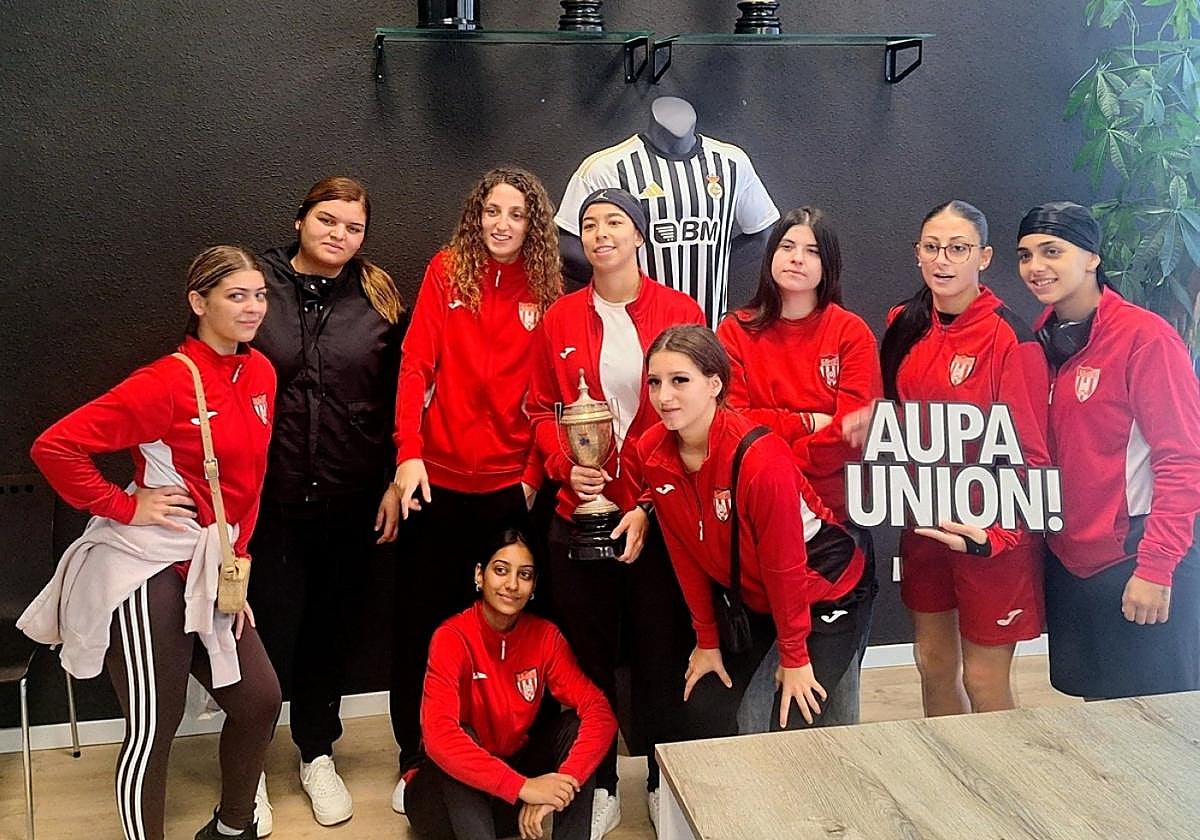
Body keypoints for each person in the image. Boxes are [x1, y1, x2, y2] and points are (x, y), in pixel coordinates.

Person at [20, 246, 280, 840]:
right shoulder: (166, 383)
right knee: (154, 728)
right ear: (199, 302)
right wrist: (123, 504)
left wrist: (238, 560)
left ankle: (232, 828)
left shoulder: (260, 372)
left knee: (260, 700)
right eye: (236, 295)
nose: (252, 308)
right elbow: (54, 447)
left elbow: (251, 483)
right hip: (151, 571)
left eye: (259, 294)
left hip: (213, 565)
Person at [528, 188, 704, 836]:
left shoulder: (679, 311)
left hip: (659, 514)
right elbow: (541, 410)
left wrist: (653, 495)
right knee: (585, 656)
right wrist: (562, 466)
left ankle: (663, 778)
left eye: (616, 224)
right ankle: (598, 784)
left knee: (663, 651)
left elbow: (698, 412)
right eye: (591, 224)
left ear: (639, 236)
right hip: (582, 511)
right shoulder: (561, 317)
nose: (602, 234)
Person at [390, 167, 564, 813]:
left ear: (533, 225)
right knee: (423, 627)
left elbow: (548, 390)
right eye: (492, 210)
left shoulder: (546, 287)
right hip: (436, 484)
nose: (502, 224)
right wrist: (408, 455)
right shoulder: (447, 270)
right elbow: (416, 365)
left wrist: (529, 477)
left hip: (506, 491)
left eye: (516, 214)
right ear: (476, 215)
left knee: (514, 626)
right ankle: (416, 759)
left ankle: (508, 751)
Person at [248, 175, 406, 830]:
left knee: (328, 633)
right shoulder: (254, 283)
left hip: (351, 499)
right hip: (268, 501)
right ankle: (247, 764)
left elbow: (405, 392)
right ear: (299, 220)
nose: (340, 235)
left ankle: (316, 753)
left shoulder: (379, 295)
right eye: (328, 220)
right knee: (261, 635)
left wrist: (398, 478)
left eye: (353, 226)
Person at [636, 325, 871, 743]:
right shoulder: (652, 451)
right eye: (654, 382)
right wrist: (706, 641)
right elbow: (683, 552)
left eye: (679, 381)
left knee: (787, 723)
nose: (664, 397)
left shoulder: (761, 459)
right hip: (755, 599)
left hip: (821, 590)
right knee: (704, 710)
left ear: (715, 384)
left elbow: (785, 565)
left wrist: (794, 656)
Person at [1016, 201, 1200, 699]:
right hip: (1070, 562)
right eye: (1026, 254)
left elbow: (1183, 460)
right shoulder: (1038, 340)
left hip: (1134, 560)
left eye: (1052, 251)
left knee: (1157, 729)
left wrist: (1157, 565)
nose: (1036, 267)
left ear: (1092, 257)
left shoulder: (1146, 338)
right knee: (1095, 713)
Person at [876, 200, 1050, 716]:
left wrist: (998, 537)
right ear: (917, 255)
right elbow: (897, 419)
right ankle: (951, 783)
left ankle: (1004, 793)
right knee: (931, 663)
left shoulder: (1013, 340)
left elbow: (1033, 458)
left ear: (985, 257)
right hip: (926, 524)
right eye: (932, 247)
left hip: (991, 536)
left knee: (983, 680)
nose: (943, 260)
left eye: (958, 248)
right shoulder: (903, 324)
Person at [716, 207, 882, 729]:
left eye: (812, 250)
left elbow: (856, 429)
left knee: (839, 688)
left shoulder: (849, 332)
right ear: (770, 257)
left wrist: (777, 446)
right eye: (788, 246)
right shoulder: (736, 330)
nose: (797, 259)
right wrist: (814, 419)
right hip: (760, 526)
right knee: (760, 702)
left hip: (836, 526)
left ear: (827, 265)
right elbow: (732, 424)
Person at [405, 529, 617, 840]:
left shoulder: (545, 637)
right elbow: (439, 738)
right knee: (462, 736)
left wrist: (561, 785)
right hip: (443, 804)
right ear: (480, 575)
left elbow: (601, 713)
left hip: (508, 796)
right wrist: (524, 787)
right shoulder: (451, 637)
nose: (512, 585)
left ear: (533, 587)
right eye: (501, 570)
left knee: (574, 725)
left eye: (525, 575)